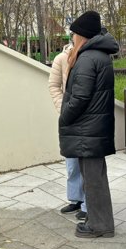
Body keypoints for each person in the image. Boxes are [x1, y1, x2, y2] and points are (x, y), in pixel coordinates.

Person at [59, 11, 118, 238]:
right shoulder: (99, 56)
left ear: (82, 35)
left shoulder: (87, 58)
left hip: (87, 129)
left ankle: (99, 225)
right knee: (96, 178)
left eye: (74, 33)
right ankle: (99, 222)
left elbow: (80, 98)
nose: (72, 37)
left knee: (93, 181)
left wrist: (64, 116)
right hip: (93, 128)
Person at [49, 42, 86, 219]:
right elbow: (54, 85)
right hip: (68, 117)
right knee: (72, 163)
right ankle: (75, 199)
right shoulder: (62, 58)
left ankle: (88, 202)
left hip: (87, 119)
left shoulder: (88, 58)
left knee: (89, 164)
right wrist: (63, 109)